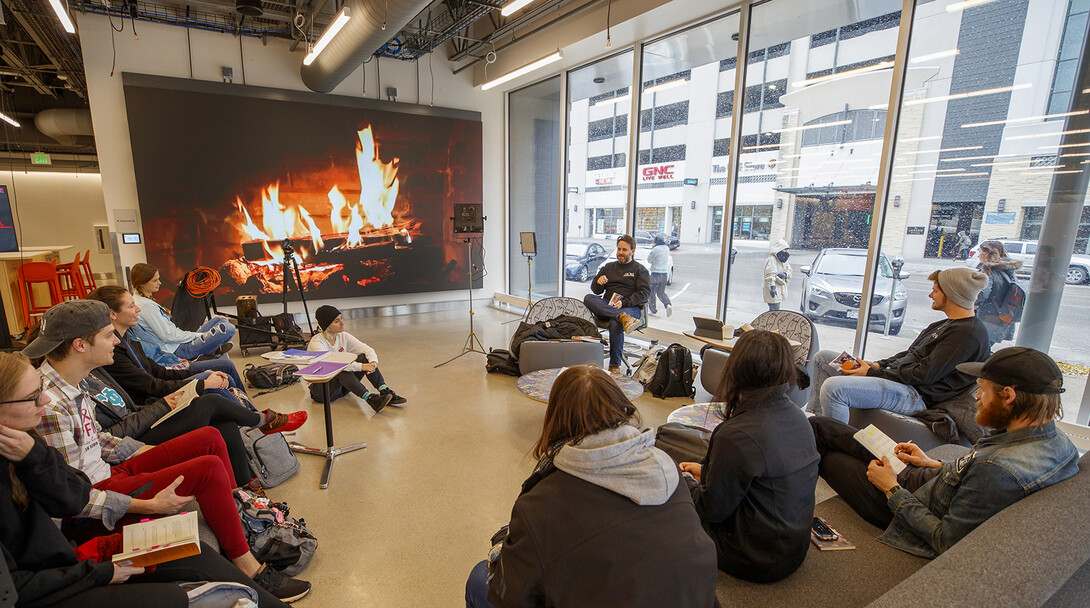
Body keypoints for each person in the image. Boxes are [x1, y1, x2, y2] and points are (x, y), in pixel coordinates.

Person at [26, 300, 311, 602]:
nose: (117, 340)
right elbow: (72, 498)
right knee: (209, 467)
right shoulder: (51, 407)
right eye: (109, 335)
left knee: (209, 437)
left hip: (108, 473)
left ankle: (243, 519)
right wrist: (146, 506)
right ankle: (247, 565)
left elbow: (97, 440)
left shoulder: (72, 382)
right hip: (96, 496)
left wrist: (153, 451)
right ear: (80, 344)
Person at [464, 365, 717, 608]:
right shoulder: (667, 465)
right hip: (696, 597)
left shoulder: (540, 503)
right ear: (622, 409)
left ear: (555, 419)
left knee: (478, 579)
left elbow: (514, 597)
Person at [808, 347, 1079, 558]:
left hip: (897, 505)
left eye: (982, 390)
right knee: (820, 425)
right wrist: (933, 463)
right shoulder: (1059, 443)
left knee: (826, 456)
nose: (977, 398)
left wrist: (890, 488)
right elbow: (974, 473)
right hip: (925, 479)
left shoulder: (999, 470)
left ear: (1008, 396)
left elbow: (945, 539)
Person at [679, 331, 819, 582]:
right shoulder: (798, 417)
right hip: (794, 548)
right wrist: (708, 473)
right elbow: (764, 479)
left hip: (753, 557)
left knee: (666, 501)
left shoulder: (736, 435)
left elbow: (712, 511)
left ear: (736, 368)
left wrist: (684, 482)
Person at [806, 267, 991, 423]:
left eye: (935, 291)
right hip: (898, 379)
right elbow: (910, 354)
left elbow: (923, 375)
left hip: (914, 395)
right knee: (824, 358)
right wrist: (877, 365)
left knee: (834, 388)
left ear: (951, 294)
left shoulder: (967, 334)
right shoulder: (944, 325)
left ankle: (830, 438)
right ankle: (818, 423)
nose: (930, 295)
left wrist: (872, 373)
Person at [81, 363, 303, 491]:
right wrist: (165, 404)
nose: (113, 340)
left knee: (223, 423)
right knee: (211, 400)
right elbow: (106, 438)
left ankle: (245, 489)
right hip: (133, 446)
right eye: (106, 335)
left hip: (144, 422)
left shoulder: (95, 371)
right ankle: (262, 422)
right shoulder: (72, 391)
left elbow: (134, 402)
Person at [87, 286, 245, 406]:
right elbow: (151, 385)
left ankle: (249, 414)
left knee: (221, 369)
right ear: (112, 313)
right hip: (152, 399)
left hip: (167, 363)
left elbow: (157, 370)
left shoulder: (128, 336)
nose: (138, 309)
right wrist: (203, 381)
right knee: (214, 374)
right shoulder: (113, 350)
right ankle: (250, 420)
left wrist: (201, 372)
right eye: (131, 306)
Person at [128, 263, 236, 364]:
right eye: (155, 280)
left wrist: (195, 335)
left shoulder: (143, 300)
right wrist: (198, 335)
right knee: (229, 329)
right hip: (178, 349)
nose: (159, 283)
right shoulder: (146, 306)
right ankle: (210, 350)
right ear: (143, 282)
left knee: (220, 320)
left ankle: (213, 349)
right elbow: (168, 336)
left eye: (158, 279)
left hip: (178, 341)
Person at [307, 305, 404, 413]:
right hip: (321, 392)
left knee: (363, 357)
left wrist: (372, 362)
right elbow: (332, 364)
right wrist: (361, 367)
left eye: (341, 319)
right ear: (327, 325)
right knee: (339, 369)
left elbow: (366, 349)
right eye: (337, 321)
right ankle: (370, 399)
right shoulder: (317, 343)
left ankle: (384, 390)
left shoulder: (343, 336)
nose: (342, 323)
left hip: (342, 388)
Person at [583, 235, 651, 373]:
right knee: (588, 298)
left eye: (624, 250)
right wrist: (598, 282)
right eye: (619, 249)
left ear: (633, 251)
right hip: (608, 306)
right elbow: (596, 291)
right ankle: (621, 316)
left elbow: (644, 294)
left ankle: (614, 366)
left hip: (630, 308)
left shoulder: (640, 270)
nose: (620, 252)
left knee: (615, 323)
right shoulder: (608, 267)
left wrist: (624, 302)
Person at [974, 240, 1022, 346]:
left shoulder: (989, 269)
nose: (978, 255)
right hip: (1002, 315)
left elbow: (984, 292)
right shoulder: (1008, 269)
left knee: (977, 349)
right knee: (984, 347)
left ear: (986, 253)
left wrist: (972, 302)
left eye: (980, 251)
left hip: (988, 316)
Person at [647, 234, 673, 317]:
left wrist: (653, 249)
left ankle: (653, 310)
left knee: (651, 292)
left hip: (655, 274)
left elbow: (649, 260)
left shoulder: (655, 249)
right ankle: (668, 304)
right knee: (661, 293)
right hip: (664, 274)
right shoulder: (666, 248)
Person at [763, 239, 791, 311]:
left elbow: (789, 270)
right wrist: (772, 287)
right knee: (774, 310)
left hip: (779, 287)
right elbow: (770, 275)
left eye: (786, 250)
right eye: (784, 249)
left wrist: (785, 274)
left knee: (775, 309)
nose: (786, 252)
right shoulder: (772, 260)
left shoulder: (784, 260)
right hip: (774, 288)